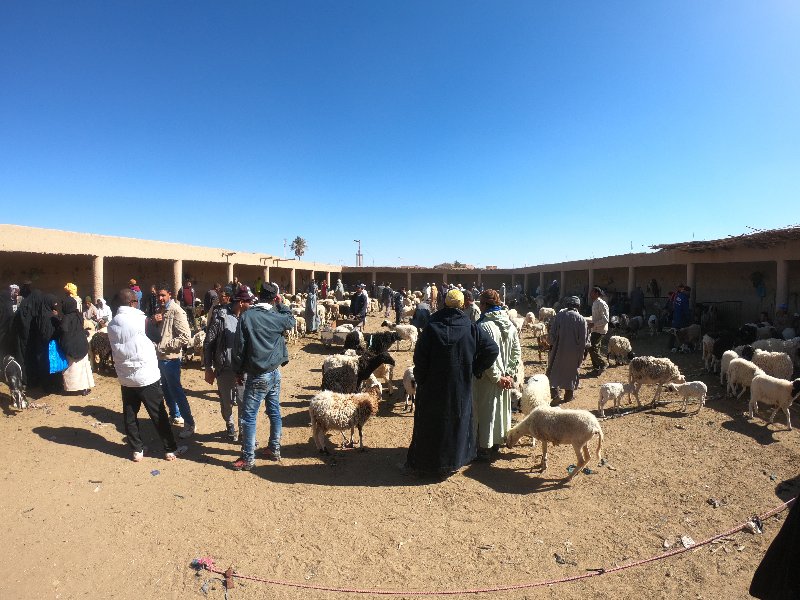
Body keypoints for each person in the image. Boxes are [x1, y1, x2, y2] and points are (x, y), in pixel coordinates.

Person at [404, 289, 499, 477]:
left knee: (432, 423)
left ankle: (427, 462)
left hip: (432, 386)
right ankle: (454, 461)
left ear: (444, 304)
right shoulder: (471, 327)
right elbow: (492, 349)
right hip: (459, 387)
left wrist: (421, 378)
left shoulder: (432, 327)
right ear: (463, 305)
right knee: (456, 422)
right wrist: (474, 369)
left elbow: (420, 358)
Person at [108, 288, 186, 462]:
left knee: (130, 414)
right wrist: (153, 322)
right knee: (158, 414)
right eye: (136, 301)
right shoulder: (141, 320)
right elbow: (157, 338)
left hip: (126, 377)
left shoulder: (112, 323)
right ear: (132, 303)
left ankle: (137, 449)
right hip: (146, 376)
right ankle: (170, 449)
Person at [231, 282, 295, 471]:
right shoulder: (278, 316)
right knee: (274, 410)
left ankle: (248, 458)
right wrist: (281, 303)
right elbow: (291, 319)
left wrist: (237, 371)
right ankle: (274, 449)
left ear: (258, 295)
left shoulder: (247, 317)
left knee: (249, 416)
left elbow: (239, 348)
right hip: (275, 373)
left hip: (257, 374)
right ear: (275, 298)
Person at [472, 289, 520, 462]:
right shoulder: (510, 324)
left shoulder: (483, 326)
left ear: (484, 304)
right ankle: (497, 443)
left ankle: (485, 448)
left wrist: (497, 377)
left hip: (489, 379)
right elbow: (516, 352)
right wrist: (510, 374)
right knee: (501, 410)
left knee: (486, 412)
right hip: (505, 378)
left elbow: (486, 356)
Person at [204, 287, 253, 441]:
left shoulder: (248, 317)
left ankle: (243, 432)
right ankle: (230, 424)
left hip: (243, 369)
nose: (251, 304)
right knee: (226, 402)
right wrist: (208, 368)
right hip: (224, 368)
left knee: (243, 401)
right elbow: (208, 343)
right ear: (241, 302)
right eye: (249, 302)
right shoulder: (221, 317)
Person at [151, 286, 195, 436]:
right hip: (160, 357)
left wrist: (165, 346)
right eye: (158, 295)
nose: (160, 298)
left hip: (171, 358)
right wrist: (154, 322)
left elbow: (185, 337)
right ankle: (175, 415)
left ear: (170, 294)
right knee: (165, 389)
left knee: (176, 391)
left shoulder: (177, 311)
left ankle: (189, 423)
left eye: (163, 295)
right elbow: (160, 332)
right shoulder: (160, 309)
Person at [547, 296, 587, 404]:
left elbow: (552, 335)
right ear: (578, 306)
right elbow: (583, 341)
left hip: (558, 350)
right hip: (574, 353)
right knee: (571, 373)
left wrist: (551, 344)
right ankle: (568, 396)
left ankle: (555, 395)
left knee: (554, 372)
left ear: (567, 305)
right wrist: (581, 356)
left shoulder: (559, 316)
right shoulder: (582, 320)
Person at [58, 297, 95, 396]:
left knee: (72, 368)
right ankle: (84, 388)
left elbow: (64, 330)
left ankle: (71, 388)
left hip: (71, 346)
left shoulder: (66, 317)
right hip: (82, 344)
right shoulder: (78, 315)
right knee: (83, 368)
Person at [588, 287, 609, 376]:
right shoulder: (595, 303)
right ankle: (596, 369)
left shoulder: (601, 303)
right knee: (594, 348)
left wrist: (594, 324)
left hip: (600, 330)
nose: (590, 294)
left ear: (596, 293)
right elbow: (596, 317)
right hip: (595, 329)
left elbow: (605, 319)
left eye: (592, 292)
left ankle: (603, 363)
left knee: (592, 347)